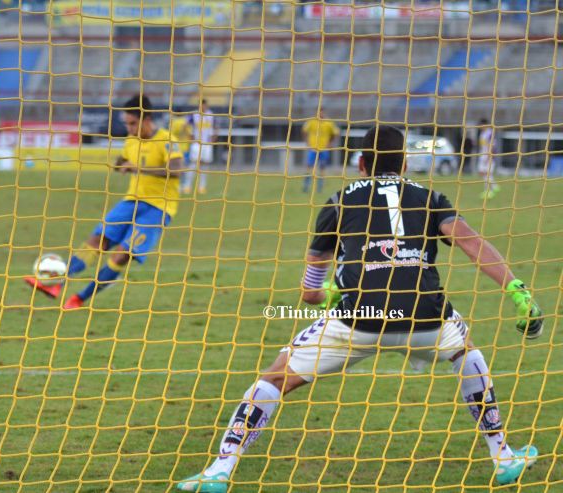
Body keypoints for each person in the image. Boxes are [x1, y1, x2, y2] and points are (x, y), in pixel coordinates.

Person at [177, 126, 543, 492]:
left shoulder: (339, 201)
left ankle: (220, 469)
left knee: (274, 378)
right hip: (426, 318)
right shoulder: (431, 197)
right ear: (405, 163)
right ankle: (502, 455)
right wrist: (517, 290)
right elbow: (470, 241)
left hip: (359, 320)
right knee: (466, 352)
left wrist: (328, 292)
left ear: (362, 164)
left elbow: (310, 292)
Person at [24, 94, 185, 309]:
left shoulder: (167, 141)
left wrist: (137, 168)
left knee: (122, 255)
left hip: (158, 208)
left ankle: (80, 298)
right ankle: (56, 284)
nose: (129, 129)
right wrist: (119, 164)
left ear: (147, 120)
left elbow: (176, 170)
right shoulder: (131, 140)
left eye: (132, 123)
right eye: (126, 124)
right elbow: (122, 161)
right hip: (132, 201)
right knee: (96, 240)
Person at [181, 99, 215, 195]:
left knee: (204, 166)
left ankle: (202, 187)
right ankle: (187, 186)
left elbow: (216, 127)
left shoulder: (211, 115)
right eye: (201, 105)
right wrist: (190, 136)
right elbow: (185, 125)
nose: (203, 107)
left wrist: (213, 138)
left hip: (207, 144)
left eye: (204, 105)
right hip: (196, 143)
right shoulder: (194, 115)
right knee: (193, 164)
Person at [302, 109, 340, 193]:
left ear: (324, 113)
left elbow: (336, 133)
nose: (320, 114)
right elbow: (304, 130)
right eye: (318, 112)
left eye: (321, 112)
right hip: (313, 149)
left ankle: (320, 188)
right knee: (309, 166)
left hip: (324, 149)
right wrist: (307, 142)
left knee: (322, 167)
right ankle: (306, 186)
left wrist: (331, 143)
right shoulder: (311, 121)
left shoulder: (329, 122)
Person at [477, 118, 499, 199]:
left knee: (487, 173)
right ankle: (495, 186)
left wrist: (489, 156)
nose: (480, 127)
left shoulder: (490, 133)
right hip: (483, 155)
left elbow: (492, 145)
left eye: (481, 125)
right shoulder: (482, 133)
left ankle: (488, 191)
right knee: (482, 172)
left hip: (488, 155)